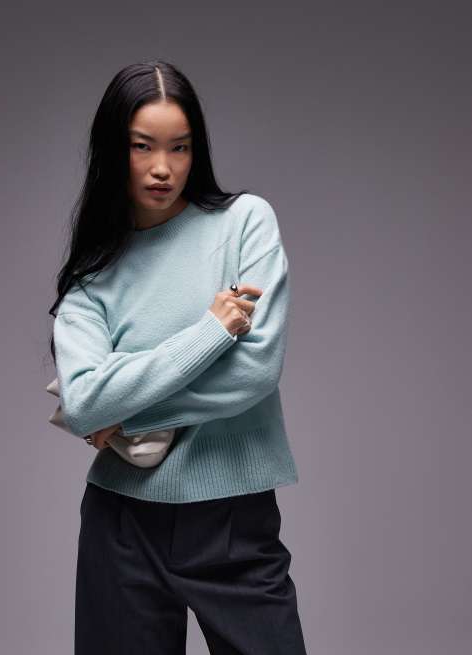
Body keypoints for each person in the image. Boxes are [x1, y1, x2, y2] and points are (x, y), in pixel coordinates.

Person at [48, 59, 309, 655]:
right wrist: (210, 333)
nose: (163, 167)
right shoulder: (92, 274)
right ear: (112, 151)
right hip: (121, 526)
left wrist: (123, 411)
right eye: (142, 146)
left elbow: (255, 369)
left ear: (197, 151)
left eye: (180, 147)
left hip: (234, 520)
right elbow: (85, 403)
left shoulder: (244, 223)